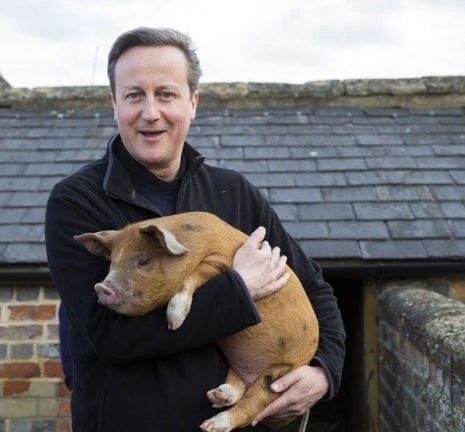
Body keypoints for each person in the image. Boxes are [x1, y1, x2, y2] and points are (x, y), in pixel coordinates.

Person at [45, 27, 346, 432]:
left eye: (166, 94)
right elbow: (110, 336)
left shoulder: (233, 192)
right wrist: (239, 289)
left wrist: (325, 371)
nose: (150, 112)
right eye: (134, 95)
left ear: (193, 103)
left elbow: (313, 287)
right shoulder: (78, 203)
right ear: (114, 104)